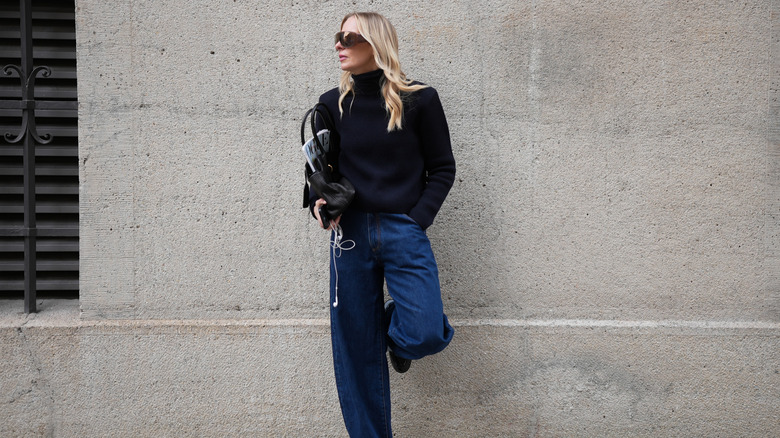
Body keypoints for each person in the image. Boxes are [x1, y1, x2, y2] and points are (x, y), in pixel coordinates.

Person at [309, 11, 455, 437]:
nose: (338, 43)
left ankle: (391, 330)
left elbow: (443, 169)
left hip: (402, 230)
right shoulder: (330, 104)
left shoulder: (420, 99)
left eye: (348, 36)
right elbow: (321, 174)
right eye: (337, 36)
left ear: (375, 43)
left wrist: (416, 221)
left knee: (425, 332)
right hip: (350, 236)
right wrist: (321, 203)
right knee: (355, 350)